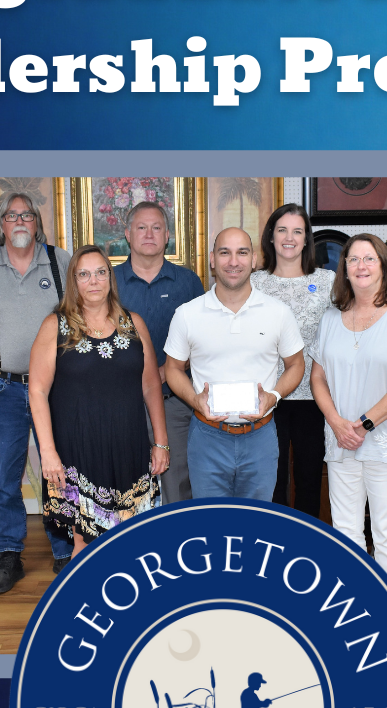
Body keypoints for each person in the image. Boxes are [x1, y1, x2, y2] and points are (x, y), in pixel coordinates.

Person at [0, 192, 74, 593]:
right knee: (7, 478)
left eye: (27, 214)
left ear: (37, 223)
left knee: (58, 472)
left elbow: (79, 318)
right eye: (12, 216)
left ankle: (64, 551)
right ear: (1, 226)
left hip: (58, 390)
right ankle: (10, 554)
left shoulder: (62, 262)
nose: (20, 221)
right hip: (4, 389)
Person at [310, 234, 387, 591]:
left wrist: (363, 425)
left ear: (383, 266)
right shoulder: (332, 317)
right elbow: (318, 377)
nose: (360, 266)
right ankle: (354, 606)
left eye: (369, 259)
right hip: (341, 441)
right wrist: (336, 422)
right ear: (343, 269)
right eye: (353, 260)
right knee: (345, 533)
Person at [28, 245, 168, 555]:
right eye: (85, 274)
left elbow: (150, 387)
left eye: (101, 272)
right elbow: (36, 390)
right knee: (86, 541)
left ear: (110, 278)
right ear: (73, 281)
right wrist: (48, 453)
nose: (94, 281)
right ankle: (82, 600)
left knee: (131, 536)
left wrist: (161, 442)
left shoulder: (134, 324)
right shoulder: (56, 326)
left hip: (128, 447)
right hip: (78, 451)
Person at [163, 227, 305, 500]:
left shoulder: (278, 313)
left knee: (257, 525)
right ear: (212, 260)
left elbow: (296, 364)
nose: (233, 261)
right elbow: (172, 368)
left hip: (260, 438)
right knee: (211, 525)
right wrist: (195, 399)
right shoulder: (188, 314)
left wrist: (273, 396)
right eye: (224, 252)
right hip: (207, 437)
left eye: (242, 252)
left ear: (253, 260)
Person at [113, 200, 205, 506]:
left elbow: (202, 341)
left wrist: (162, 374)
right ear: (128, 234)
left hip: (174, 401)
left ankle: (177, 546)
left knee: (176, 483)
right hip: (122, 403)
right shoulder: (109, 282)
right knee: (125, 485)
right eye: (141, 227)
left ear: (167, 235)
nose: (149, 234)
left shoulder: (188, 282)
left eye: (156, 228)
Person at [250, 204, 335, 517]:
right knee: (272, 481)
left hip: (315, 396)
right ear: (271, 236)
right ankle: (278, 545)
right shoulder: (254, 283)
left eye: (297, 231)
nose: (289, 237)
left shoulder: (328, 282)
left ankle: (308, 546)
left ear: (306, 239)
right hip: (266, 397)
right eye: (282, 230)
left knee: (310, 478)